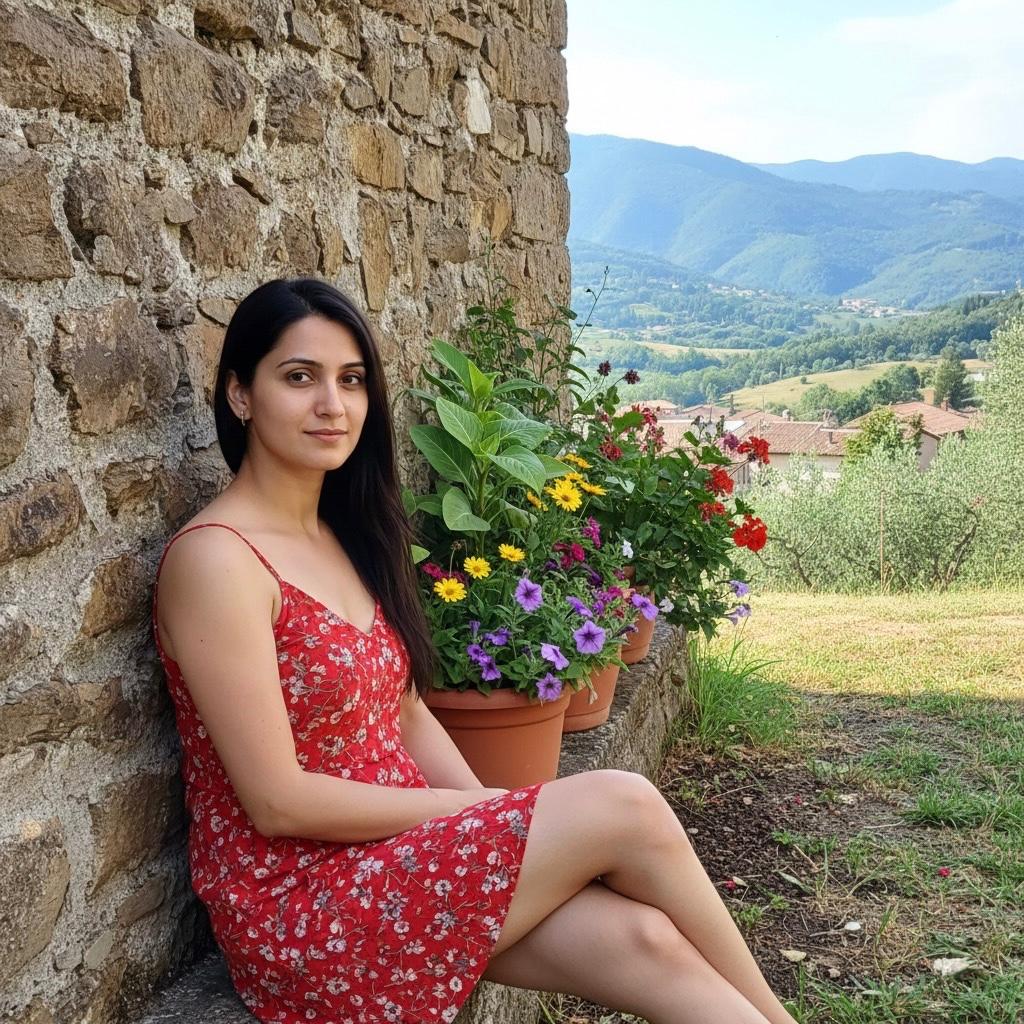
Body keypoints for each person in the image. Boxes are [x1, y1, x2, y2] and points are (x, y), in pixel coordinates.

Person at [153, 278, 798, 1024]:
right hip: (306, 905)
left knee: (644, 939)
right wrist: (476, 810)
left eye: (352, 380)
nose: (333, 404)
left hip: (400, 863)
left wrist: (491, 820)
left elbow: (407, 712)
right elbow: (277, 801)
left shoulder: (342, 533)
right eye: (299, 377)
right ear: (240, 394)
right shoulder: (216, 561)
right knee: (623, 802)